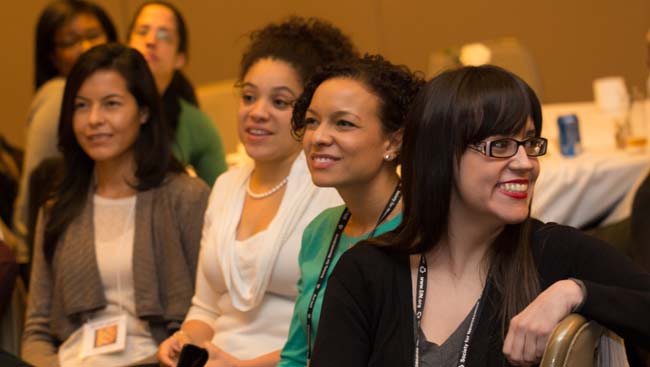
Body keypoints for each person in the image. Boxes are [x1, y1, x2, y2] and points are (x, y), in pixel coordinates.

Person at [311, 65, 650, 366]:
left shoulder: (552, 254)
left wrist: (576, 292)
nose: (525, 163)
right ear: (440, 156)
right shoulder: (367, 273)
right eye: (500, 145)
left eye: (530, 143)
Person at [156, 17, 357, 367]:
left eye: (280, 102)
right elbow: (205, 306)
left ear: (312, 113)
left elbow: (334, 331)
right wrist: (186, 341)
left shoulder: (331, 192)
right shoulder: (225, 186)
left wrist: (243, 366)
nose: (257, 113)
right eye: (248, 97)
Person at [21, 43, 210, 367]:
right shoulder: (57, 209)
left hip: (157, 361)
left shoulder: (186, 198)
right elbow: (36, 330)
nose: (94, 119)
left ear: (144, 111)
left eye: (111, 104)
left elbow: (209, 312)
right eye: (81, 106)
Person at [278, 55, 423, 367]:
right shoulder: (319, 231)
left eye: (343, 123)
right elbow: (296, 356)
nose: (318, 137)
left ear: (394, 141)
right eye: (312, 121)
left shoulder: (423, 229)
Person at [13, 0, 117, 268]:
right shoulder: (57, 97)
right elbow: (36, 188)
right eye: (70, 42)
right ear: (52, 56)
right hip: (59, 249)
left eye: (93, 35)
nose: (86, 48)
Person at [128, 1, 227, 186]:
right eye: (142, 32)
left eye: (164, 36)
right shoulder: (105, 106)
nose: (150, 41)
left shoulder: (195, 123)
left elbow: (220, 195)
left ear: (179, 58)